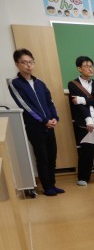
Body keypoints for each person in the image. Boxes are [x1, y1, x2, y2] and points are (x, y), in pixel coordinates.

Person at [9, 48, 62, 196]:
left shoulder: (40, 83)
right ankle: (47, 187)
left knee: (52, 156)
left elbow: (50, 102)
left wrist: (54, 118)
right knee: (42, 157)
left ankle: (53, 184)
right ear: (17, 64)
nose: (28, 65)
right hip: (35, 127)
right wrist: (44, 120)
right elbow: (25, 106)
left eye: (31, 62)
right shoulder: (15, 84)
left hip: (49, 125)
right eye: (24, 62)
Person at [67, 55, 94, 186]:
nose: (90, 69)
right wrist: (88, 120)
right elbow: (78, 106)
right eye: (86, 66)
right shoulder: (73, 84)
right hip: (85, 123)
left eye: (91, 66)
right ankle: (83, 177)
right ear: (79, 68)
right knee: (87, 150)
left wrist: (82, 99)